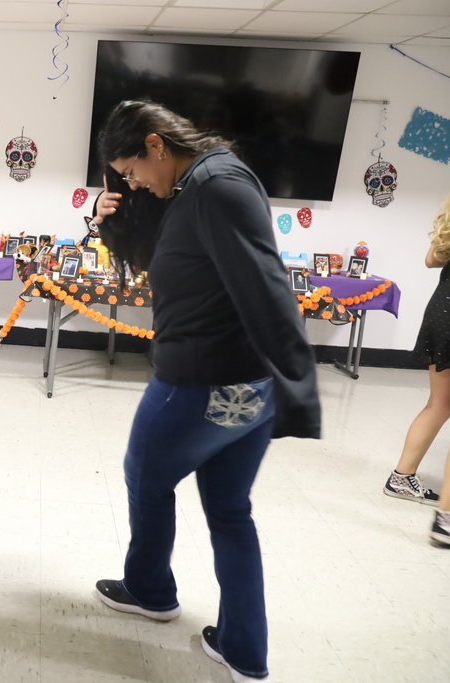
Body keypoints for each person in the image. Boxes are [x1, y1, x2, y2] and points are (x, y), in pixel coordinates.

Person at [90, 100, 320, 683]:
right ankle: (244, 651)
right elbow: (163, 261)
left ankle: (149, 590)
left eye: (132, 169)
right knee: (228, 510)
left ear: (156, 145)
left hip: (205, 379)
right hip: (242, 388)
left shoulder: (216, 185)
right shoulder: (194, 187)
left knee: (146, 475)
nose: (132, 180)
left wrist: (300, 386)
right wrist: (109, 213)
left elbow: (267, 284)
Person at [384, 135, 450, 550]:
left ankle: (402, 478)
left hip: (444, 312)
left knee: (440, 404)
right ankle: (447, 520)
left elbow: (433, 258)